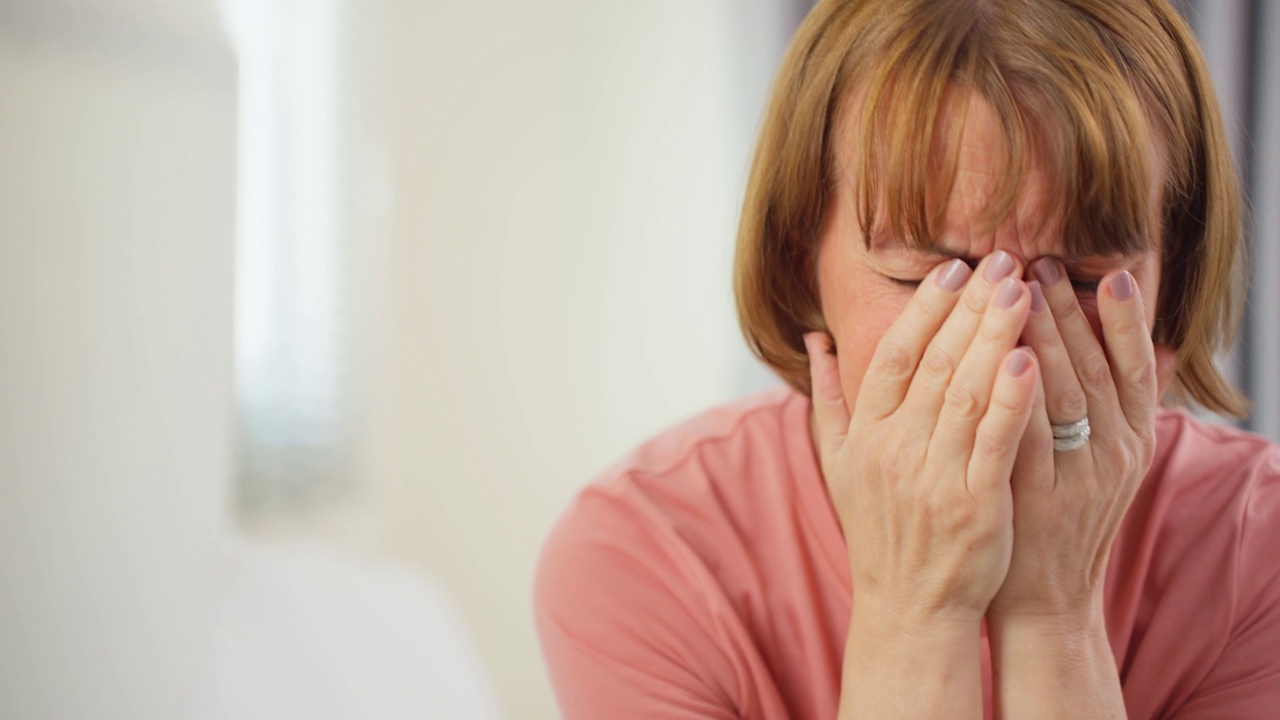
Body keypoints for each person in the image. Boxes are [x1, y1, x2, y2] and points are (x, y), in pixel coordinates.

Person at [534, 1, 1280, 717]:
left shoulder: (1258, 550)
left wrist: (1056, 615)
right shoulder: (643, 559)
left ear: (1171, 278)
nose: (1004, 337)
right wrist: (913, 611)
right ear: (801, 260)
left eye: (1078, 280)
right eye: (927, 278)